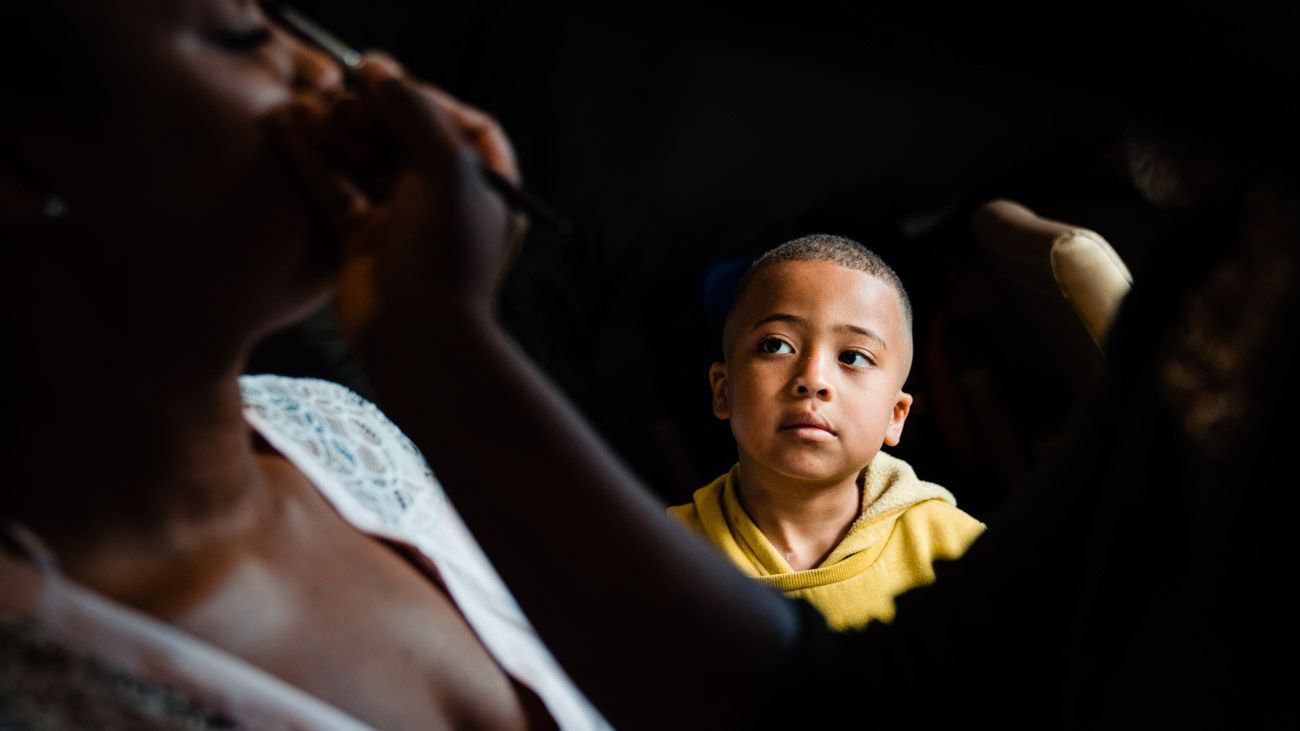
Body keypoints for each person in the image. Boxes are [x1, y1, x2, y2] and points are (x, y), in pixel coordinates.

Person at [0, 2, 608, 728]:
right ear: (15, 170)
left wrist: (447, 340)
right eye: (241, 36)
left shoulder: (343, 436)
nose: (326, 72)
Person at [668, 234, 984, 629]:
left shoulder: (960, 552)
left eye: (853, 357)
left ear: (896, 416)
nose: (813, 379)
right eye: (776, 346)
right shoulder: (661, 553)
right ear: (722, 390)